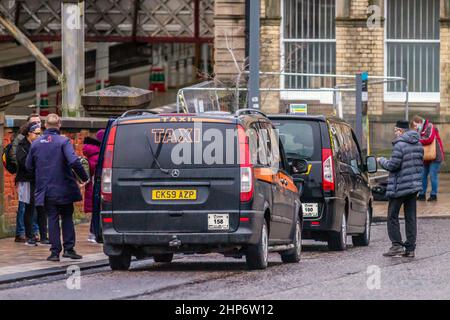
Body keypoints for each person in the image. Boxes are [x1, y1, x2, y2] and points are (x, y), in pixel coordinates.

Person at [26, 114, 89, 262]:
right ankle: (69, 249)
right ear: (59, 124)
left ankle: (54, 252)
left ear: (45, 126)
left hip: (46, 189)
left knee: (52, 219)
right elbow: (73, 161)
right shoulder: (63, 141)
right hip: (64, 187)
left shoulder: (36, 143)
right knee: (67, 217)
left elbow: (29, 166)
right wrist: (84, 177)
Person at [377, 120, 424, 258]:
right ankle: (410, 249)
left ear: (401, 131)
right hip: (413, 186)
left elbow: (393, 165)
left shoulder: (400, 145)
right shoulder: (419, 144)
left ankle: (396, 245)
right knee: (410, 217)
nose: (395, 133)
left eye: (396, 130)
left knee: (392, 216)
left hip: (399, 187)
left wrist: (381, 160)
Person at [16, 122, 49, 246]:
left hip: (40, 180)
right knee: (30, 208)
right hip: (28, 180)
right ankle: (30, 236)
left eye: (40, 133)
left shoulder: (40, 144)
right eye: (37, 134)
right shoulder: (22, 145)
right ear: (29, 133)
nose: (39, 136)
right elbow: (23, 163)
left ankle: (44, 237)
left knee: (42, 208)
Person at [13, 114, 42, 243]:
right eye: (34, 122)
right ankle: (21, 232)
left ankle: (34, 232)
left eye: (39, 122)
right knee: (24, 206)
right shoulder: (20, 141)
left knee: (34, 207)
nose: (38, 124)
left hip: (35, 178)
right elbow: (18, 159)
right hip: (25, 178)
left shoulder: (39, 139)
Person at [411, 115, 445, 202]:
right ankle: (422, 194)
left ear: (419, 122)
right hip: (426, 156)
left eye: (415, 125)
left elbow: (429, 139)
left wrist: (418, 140)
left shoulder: (430, 126)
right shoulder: (420, 130)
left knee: (433, 175)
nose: (415, 127)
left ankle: (433, 195)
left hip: (436, 155)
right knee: (423, 175)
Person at [82, 129, 104, 243]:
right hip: (97, 186)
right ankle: (95, 233)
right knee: (98, 210)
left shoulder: (92, 152)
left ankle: (93, 233)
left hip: (93, 186)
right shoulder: (98, 154)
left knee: (97, 210)